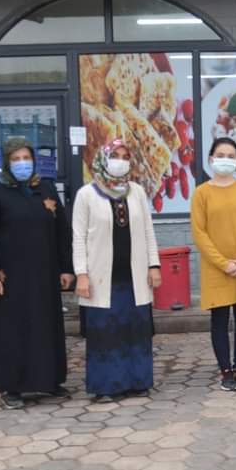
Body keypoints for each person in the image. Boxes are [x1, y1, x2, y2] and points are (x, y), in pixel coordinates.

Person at [0, 137, 75, 409]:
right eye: (16, 159)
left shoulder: (45, 189)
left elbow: (62, 231)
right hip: (10, 280)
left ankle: (49, 380)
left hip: (44, 275)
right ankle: (12, 387)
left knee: (45, 328)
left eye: (26, 158)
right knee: (12, 332)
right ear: (7, 162)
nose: (22, 163)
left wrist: (66, 267)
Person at [72, 139, 162, 401]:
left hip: (134, 276)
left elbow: (148, 231)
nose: (121, 161)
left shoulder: (136, 192)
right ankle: (106, 386)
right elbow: (78, 237)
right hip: (102, 278)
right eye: (115, 155)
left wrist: (153, 264)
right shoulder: (86, 194)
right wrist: (82, 273)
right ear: (103, 158)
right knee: (105, 334)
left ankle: (137, 382)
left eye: (125, 156)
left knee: (136, 330)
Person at [191, 137, 236, 391]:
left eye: (231, 155)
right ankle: (225, 371)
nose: (225, 159)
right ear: (211, 159)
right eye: (220, 154)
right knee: (219, 321)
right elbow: (200, 233)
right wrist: (223, 264)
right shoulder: (201, 193)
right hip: (217, 269)